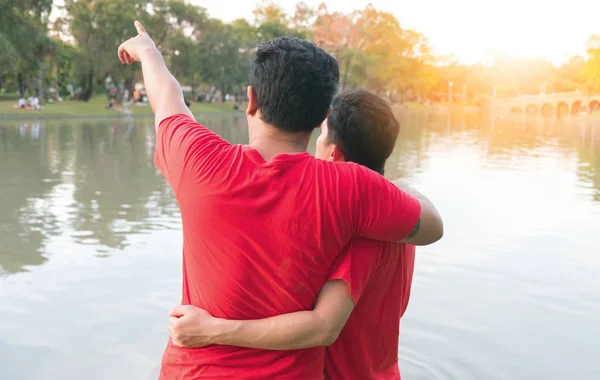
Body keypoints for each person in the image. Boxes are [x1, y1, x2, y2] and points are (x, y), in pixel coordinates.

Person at [117, 22, 443, 379]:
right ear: (323, 118)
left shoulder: (198, 161)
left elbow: (168, 98)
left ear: (251, 99)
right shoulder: (354, 188)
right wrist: (399, 189)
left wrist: (148, 52)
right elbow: (431, 227)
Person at [168, 89, 424, 379]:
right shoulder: (399, 222)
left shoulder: (361, 236)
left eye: (321, 135)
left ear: (333, 153)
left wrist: (212, 330)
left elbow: (323, 327)